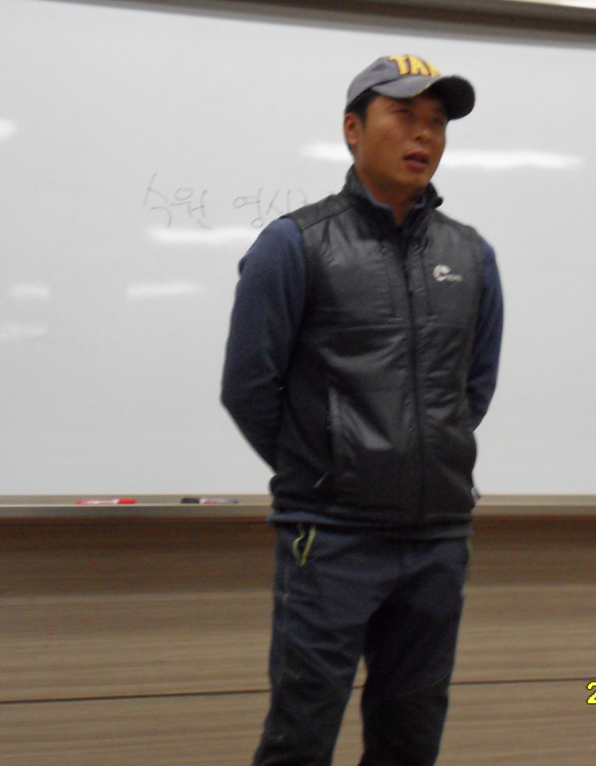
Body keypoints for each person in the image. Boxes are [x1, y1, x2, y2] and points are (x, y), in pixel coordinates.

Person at [221, 54, 504, 766]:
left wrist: (421, 456)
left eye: (436, 122)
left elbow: (472, 388)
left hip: (437, 539)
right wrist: (329, 467)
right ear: (353, 129)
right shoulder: (295, 244)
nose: (424, 134)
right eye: (403, 115)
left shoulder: (471, 255)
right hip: (332, 539)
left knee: (411, 740)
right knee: (301, 738)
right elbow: (249, 387)